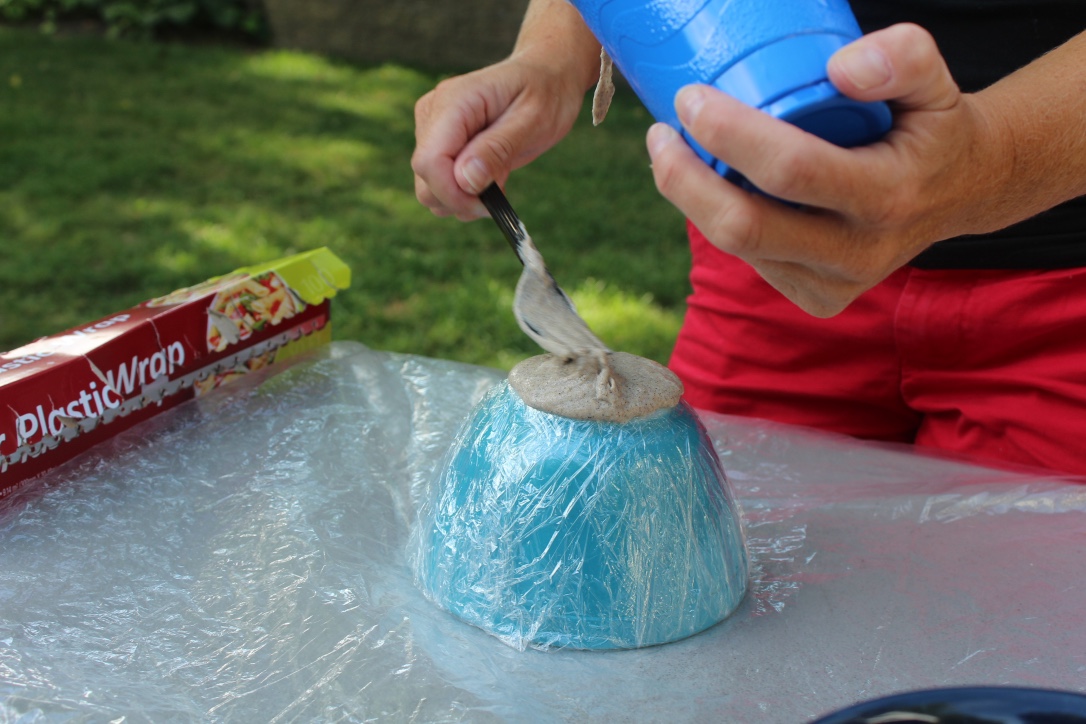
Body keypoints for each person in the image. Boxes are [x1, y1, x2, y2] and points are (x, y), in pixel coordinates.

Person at [411, 0, 1086, 476]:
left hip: (1061, 308)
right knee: (709, 586)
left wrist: (993, 161)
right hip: (773, 260)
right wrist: (554, 55)